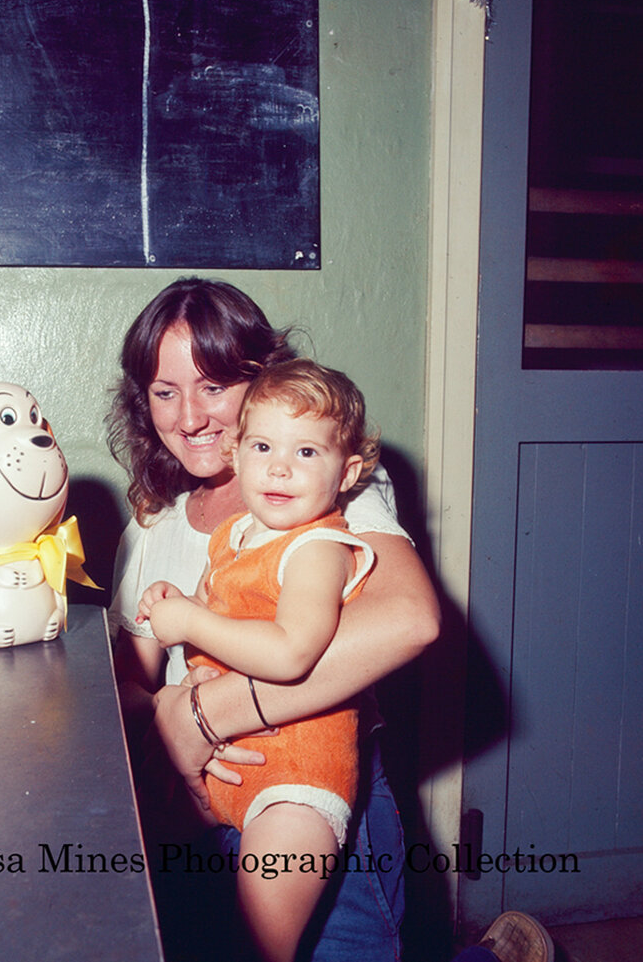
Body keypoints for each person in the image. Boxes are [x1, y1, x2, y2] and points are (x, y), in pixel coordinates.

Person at [108, 277, 441, 962]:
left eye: (213, 386)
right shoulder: (151, 526)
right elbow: (128, 684)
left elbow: (410, 619)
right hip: (205, 803)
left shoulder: (321, 482)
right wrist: (163, 713)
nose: (189, 417)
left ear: (261, 379)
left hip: (315, 794)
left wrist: (204, 712)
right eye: (165, 392)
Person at [135, 359, 381, 962]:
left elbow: (292, 650)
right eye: (264, 446)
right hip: (228, 772)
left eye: (306, 452)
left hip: (295, 786)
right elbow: (229, 613)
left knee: (259, 947)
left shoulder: (319, 546)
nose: (279, 467)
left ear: (348, 472)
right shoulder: (237, 535)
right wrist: (182, 602)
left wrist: (192, 623)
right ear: (237, 453)